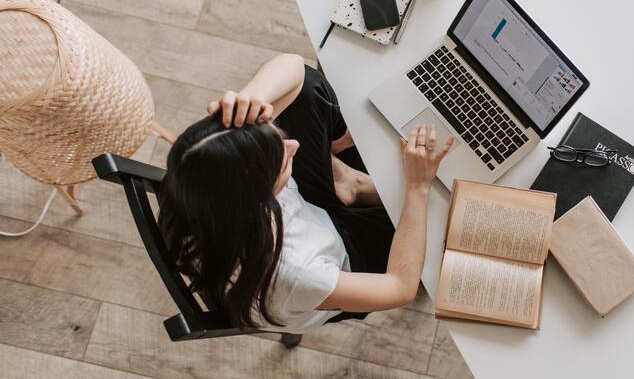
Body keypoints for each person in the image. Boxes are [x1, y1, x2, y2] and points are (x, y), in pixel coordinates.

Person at [158, 53, 453, 333]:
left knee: (309, 88)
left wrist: (252, 98)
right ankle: (350, 183)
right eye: (282, 158)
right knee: (440, 222)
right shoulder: (297, 274)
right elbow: (399, 287)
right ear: (260, 198)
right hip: (342, 257)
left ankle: (347, 183)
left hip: (302, 217)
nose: (294, 147)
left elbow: (296, 69)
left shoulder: (198, 173)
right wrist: (417, 185)